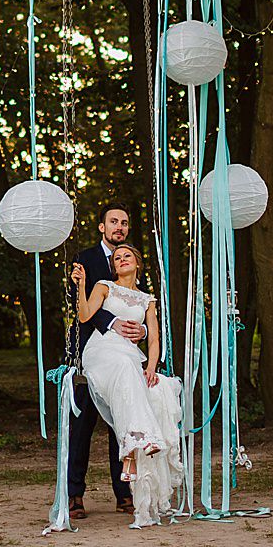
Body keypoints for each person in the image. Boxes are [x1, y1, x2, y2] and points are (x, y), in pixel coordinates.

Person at [74, 242, 184, 528]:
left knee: (152, 383)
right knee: (126, 368)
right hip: (102, 351)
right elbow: (85, 316)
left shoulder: (147, 299)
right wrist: (82, 286)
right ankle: (137, 443)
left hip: (130, 355)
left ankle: (131, 455)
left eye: (127, 256)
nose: (122, 259)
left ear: (138, 262)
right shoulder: (103, 286)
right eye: (118, 257)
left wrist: (151, 366)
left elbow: (155, 339)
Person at [66, 202, 141, 519]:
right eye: (113, 222)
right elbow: (78, 302)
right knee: (81, 426)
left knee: (121, 422)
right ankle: (74, 495)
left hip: (125, 353)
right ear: (102, 227)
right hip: (91, 351)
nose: (119, 227)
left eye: (124, 222)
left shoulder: (129, 260)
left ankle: (124, 494)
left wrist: (141, 328)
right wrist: (111, 324)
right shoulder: (85, 258)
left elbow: (138, 300)